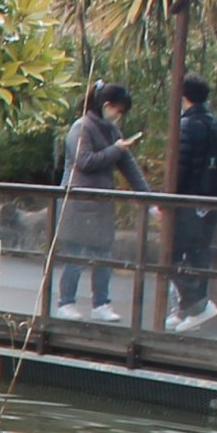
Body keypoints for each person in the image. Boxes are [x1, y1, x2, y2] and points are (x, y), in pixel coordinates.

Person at [52, 81, 146, 322]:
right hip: (78, 203)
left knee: (104, 254)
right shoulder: (81, 128)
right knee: (76, 254)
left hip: (101, 204)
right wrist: (116, 150)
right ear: (106, 105)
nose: (119, 116)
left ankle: (101, 303)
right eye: (118, 110)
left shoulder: (112, 132)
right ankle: (66, 302)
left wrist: (147, 195)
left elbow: (129, 167)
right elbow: (85, 161)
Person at [167, 74, 217, 331]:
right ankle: (186, 310)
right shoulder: (215, 124)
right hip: (212, 201)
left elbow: (180, 166)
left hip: (189, 200)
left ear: (183, 96)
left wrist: (165, 198)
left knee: (171, 254)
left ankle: (197, 305)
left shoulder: (188, 126)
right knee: (198, 254)